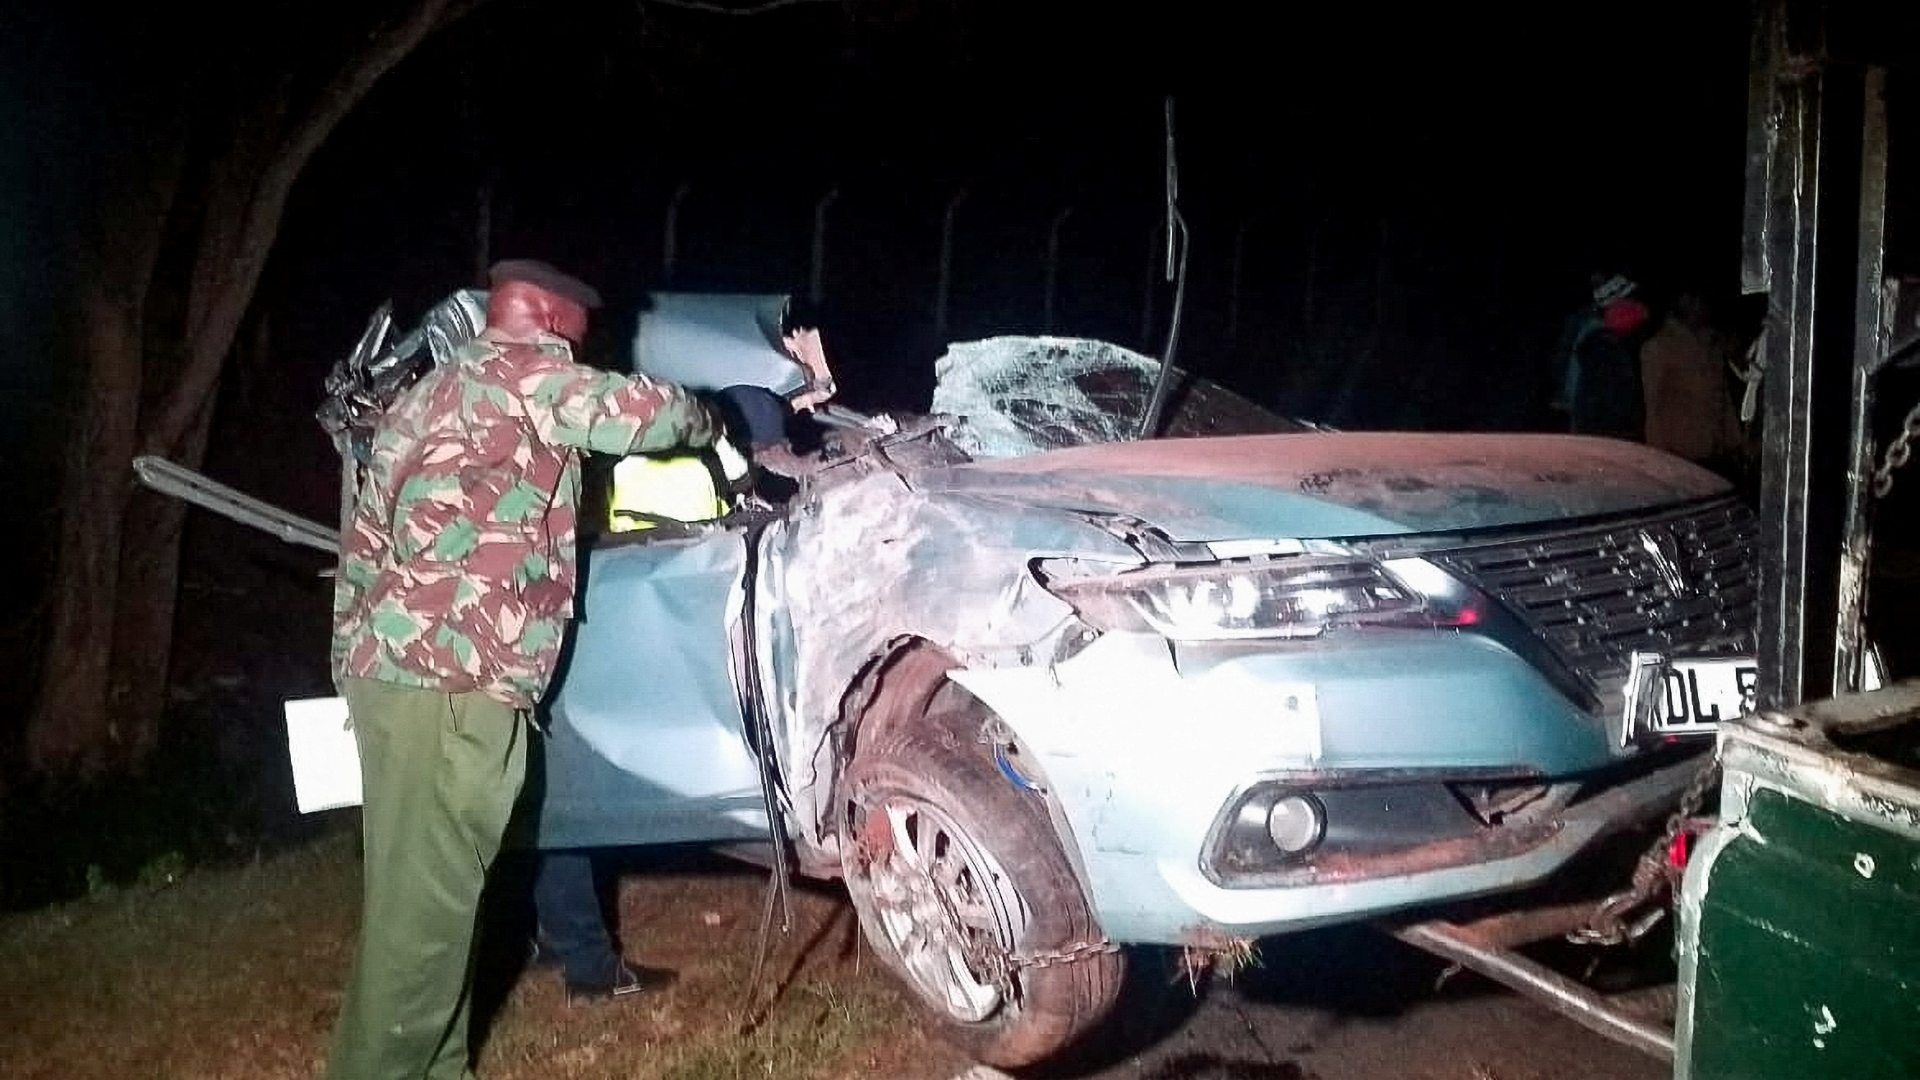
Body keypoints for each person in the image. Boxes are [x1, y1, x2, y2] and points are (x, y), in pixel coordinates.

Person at [327, 259, 720, 1079]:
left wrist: (353, 669)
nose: (588, 340)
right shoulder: (529, 372)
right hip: (453, 683)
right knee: (425, 919)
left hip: (392, 674)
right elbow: (644, 414)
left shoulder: (428, 393)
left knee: (417, 906)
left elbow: (362, 545)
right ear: (545, 312)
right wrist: (711, 416)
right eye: (582, 323)